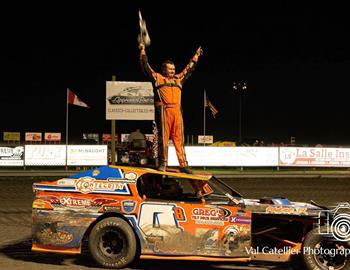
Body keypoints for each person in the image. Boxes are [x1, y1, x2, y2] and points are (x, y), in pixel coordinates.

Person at [139, 43, 203, 173]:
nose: (173, 71)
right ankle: (163, 164)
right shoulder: (157, 78)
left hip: (177, 112)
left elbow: (189, 69)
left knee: (179, 139)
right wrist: (142, 50)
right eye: (170, 69)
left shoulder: (178, 79)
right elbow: (146, 66)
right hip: (164, 111)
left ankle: (183, 165)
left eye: (174, 69)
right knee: (163, 140)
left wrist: (196, 56)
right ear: (164, 70)